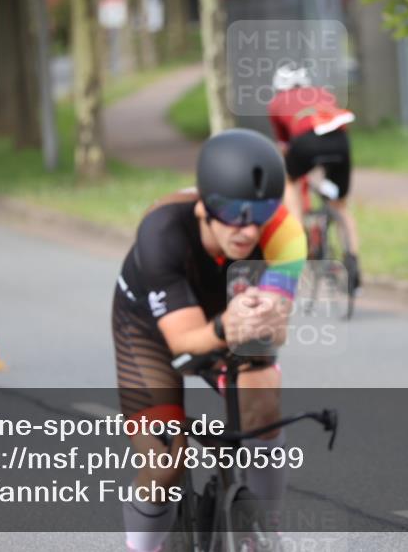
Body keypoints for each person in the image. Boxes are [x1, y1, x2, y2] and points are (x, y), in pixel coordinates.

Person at [111, 128, 306, 552]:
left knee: (263, 397)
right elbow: (183, 341)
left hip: (226, 314)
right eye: (232, 212)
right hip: (148, 327)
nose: (246, 228)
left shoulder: (286, 235)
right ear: (203, 207)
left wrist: (264, 321)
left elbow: (275, 325)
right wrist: (222, 329)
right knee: (164, 462)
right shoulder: (161, 232)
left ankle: (265, 530)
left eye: (260, 213)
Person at [267, 63, 361, 291]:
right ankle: (353, 263)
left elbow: (285, 146)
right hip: (340, 143)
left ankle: (297, 231)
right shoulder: (324, 94)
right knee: (340, 205)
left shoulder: (277, 103)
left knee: (290, 181)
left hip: (304, 143)